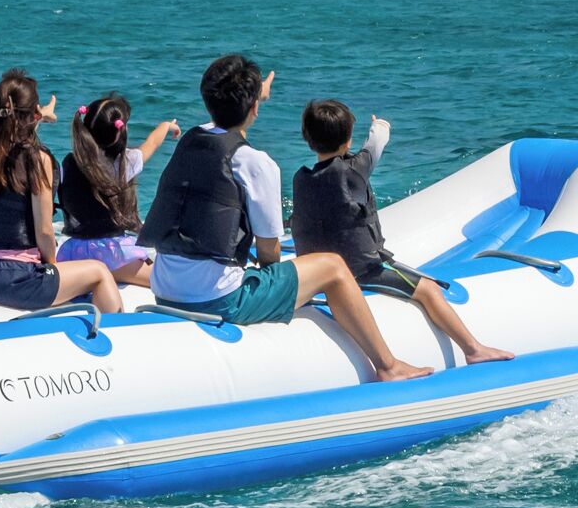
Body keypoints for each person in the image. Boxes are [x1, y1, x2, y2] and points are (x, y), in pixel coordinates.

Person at [140, 54, 432, 380]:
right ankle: (388, 366)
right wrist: (284, 287)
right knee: (332, 266)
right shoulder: (256, 162)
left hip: (164, 288)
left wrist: (255, 94)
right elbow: (269, 253)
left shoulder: (191, 140)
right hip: (217, 300)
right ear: (254, 108)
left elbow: (221, 120)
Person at [294, 99, 514, 365]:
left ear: (308, 139)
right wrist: (379, 124)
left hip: (316, 273)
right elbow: (377, 141)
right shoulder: (354, 170)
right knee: (429, 289)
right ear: (348, 140)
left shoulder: (301, 178)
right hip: (361, 269)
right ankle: (473, 349)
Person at [0, 69, 126, 310]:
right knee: (99, 272)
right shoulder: (39, 160)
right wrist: (52, 267)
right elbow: (45, 231)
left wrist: (38, 116)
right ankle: (114, 333)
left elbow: (12, 136)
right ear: (34, 113)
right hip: (16, 280)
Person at [59, 93, 181, 288]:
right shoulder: (125, 162)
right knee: (168, 282)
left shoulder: (69, 162)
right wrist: (167, 125)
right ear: (119, 131)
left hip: (74, 252)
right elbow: (152, 143)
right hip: (113, 255)